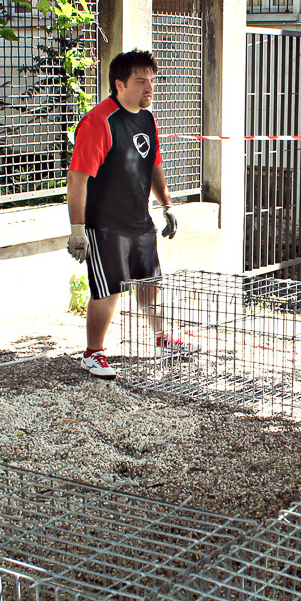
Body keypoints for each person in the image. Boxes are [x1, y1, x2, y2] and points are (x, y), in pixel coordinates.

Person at [66, 49, 183, 378]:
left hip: (139, 220)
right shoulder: (99, 121)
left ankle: (163, 338)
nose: (150, 88)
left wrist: (167, 205)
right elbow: (77, 180)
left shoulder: (147, 118)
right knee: (108, 289)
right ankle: (93, 354)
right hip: (106, 224)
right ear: (119, 84)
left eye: (152, 80)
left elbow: (154, 164)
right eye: (141, 81)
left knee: (150, 283)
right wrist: (77, 230)